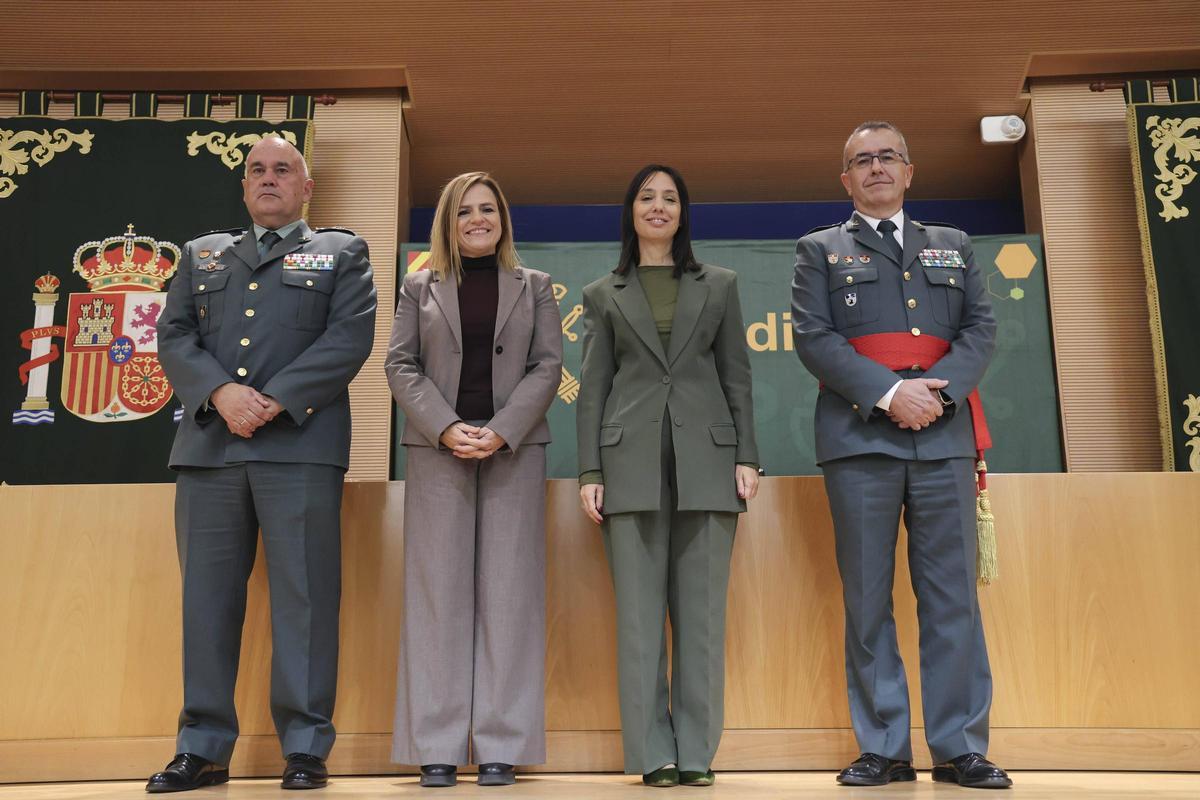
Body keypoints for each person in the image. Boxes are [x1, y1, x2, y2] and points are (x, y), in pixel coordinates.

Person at [150, 136, 377, 792]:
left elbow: (349, 337)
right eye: (257, 171)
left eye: (283, 170)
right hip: (211, 450)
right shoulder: (202, 253)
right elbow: (174, 334)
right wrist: (221, 393)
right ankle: (202, 748)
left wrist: (273, 400)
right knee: (207, 603)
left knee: (306, 600)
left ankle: (305, 747)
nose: (269, 178)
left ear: (307, 187)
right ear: (245, 186)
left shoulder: (342, 252)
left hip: (299, 447)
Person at [790, 121, 1010, 789]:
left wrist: (935, 397)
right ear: (846, 179)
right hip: (860, 439)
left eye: (889, 157)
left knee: (951, 598)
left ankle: (959, 748)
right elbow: (813, 338)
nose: (877, 167)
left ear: (909, 171)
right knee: (867, 597)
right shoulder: (819, 249)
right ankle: (883, 747)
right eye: (863, 160)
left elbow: (980, 328)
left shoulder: (954, 244)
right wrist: (890, 394)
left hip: (943, 435)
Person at [576, 164, 759, 788]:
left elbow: (737, 376)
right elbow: (593, 388)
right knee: (638, 617)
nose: (659, 207)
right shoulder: (602, 293)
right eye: (647, 198)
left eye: (671, 198)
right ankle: (655, 752)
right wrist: (590, 468)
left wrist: (746, 455)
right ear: (631, 211)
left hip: (709, 460)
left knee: (703, 617)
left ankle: (697, 752)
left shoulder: (721, 284)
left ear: (683, 213)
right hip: (627, 462)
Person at [385, 171, 562, 788]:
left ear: (503, 219)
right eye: (465, 211)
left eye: (488, 209)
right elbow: (400, 364)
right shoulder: (419, 286)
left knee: (510, 596)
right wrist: (446, 426)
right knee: (437, 595)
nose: (478, 219)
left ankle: (500, 745)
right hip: (438, 452)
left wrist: (502, 429)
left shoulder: (536, 286)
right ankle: (435, 745)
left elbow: (547, 367)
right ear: (449, 222)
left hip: (514, 451)